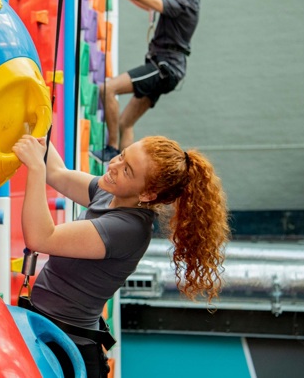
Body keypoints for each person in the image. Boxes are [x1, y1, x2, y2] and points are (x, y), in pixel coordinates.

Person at [12, 134, 230, 378]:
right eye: (122, 155)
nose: (113, 166)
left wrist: (34, 167)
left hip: (68, 352)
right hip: (47, 331)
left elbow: (41, 238)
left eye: (127, 170)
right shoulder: (109, 193)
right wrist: (38, 124)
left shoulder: (128, 229)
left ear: (147, 194)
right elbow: (58, 174)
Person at [88, 0, 210, 162]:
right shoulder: (186, 1)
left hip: (164, 67)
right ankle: (126, 171)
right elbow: (144, 3)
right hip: (167, 70)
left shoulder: (185, 6)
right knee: (126, 122)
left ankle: (111, 148)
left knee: (108, 89)